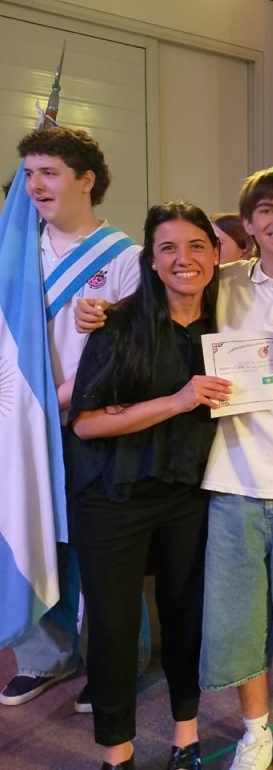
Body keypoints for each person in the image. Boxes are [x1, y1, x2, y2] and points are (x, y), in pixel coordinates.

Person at [79, 167, 273, 770]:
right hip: (230, 478)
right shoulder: (227, 283)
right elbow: (166, 289)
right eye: (266, 211)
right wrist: (99, 309)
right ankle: (255, 730)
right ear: (248, 226)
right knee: (239, 616)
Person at [69, 202, 229, 770]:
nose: (184, 258)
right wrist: (177, 401)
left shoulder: (227, 331)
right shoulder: (116, 324)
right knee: (113, 628)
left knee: (186, 617)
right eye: (168, 248)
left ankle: (186, 736)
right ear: (152, 261)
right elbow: (87, 422)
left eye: (196, 245)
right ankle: (117, 752)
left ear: (216, 255)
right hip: (112, 495)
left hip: (188, 494)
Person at [1, 126, 144, 713]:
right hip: (23, 423)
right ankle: (44, 656)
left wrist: (65, 395)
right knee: (30, 530)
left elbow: (134, 355)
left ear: (86, 180)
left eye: (49, 172)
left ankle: (116, 661)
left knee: (103, 546)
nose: (35, 185)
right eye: (29, 173)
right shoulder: (15, 249)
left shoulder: (126, 257)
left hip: (92, 421)